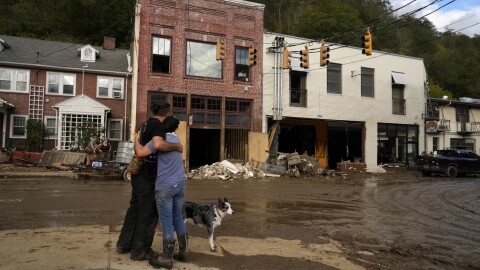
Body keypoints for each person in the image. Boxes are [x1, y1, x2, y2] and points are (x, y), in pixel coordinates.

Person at [116, 102, 182, 261]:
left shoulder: (144, 124)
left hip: (138, 173)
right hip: (148, 175)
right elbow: (158, 144)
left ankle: (124, 244)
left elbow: (138, 143)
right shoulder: (158, 126)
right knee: (149, 212)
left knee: (135, 208)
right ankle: (140, 251)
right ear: (166, 113)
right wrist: (176, 146)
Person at [134, 115, 187, 269]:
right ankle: (183, 252)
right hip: (180, 185)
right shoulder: (178, 141)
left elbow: (140, 153)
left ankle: (167, 257)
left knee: (166, 222)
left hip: (165, 187)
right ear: (175, 128)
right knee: (178, 218)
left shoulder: (159, 141)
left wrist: (136, 139)